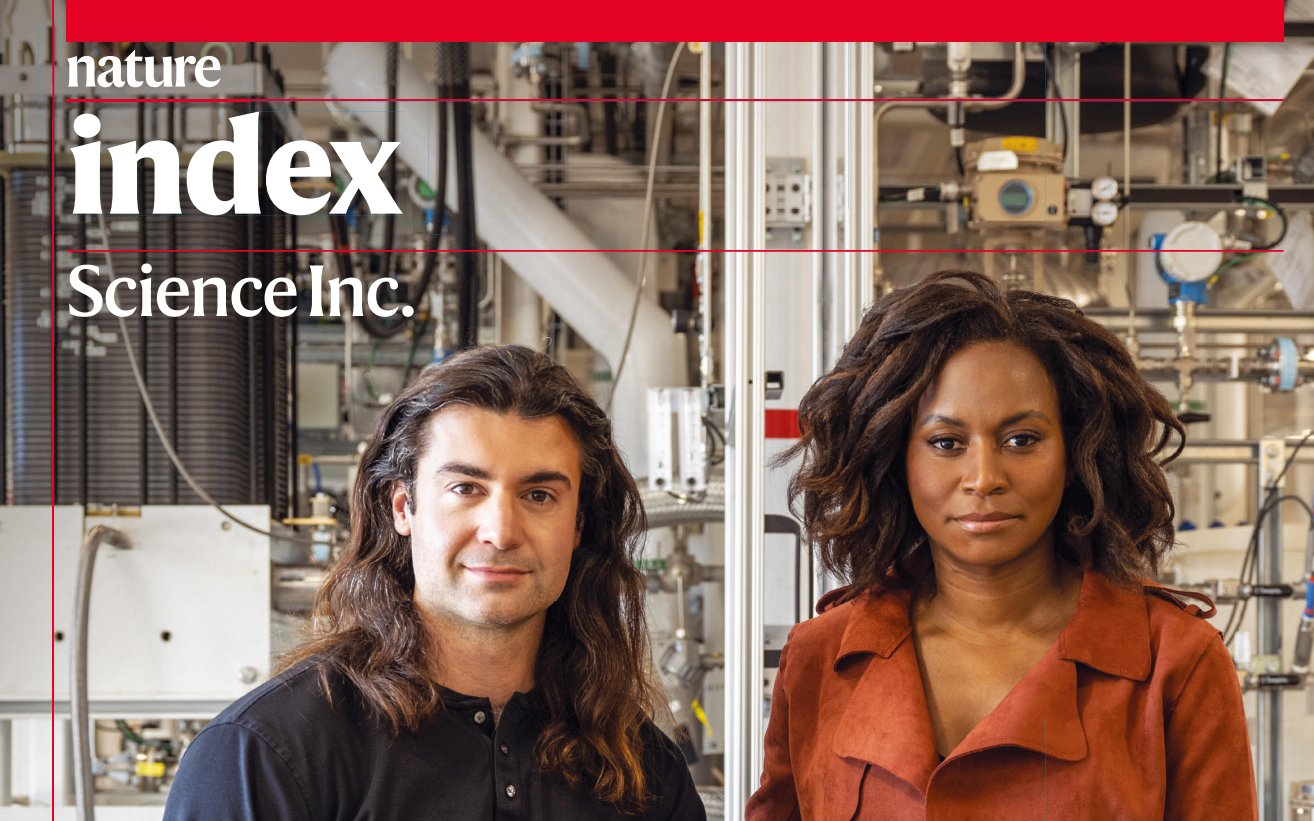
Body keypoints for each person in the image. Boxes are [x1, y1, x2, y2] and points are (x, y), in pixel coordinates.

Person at [745, 271, 1256, 819]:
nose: (983, 477)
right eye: (946, 443)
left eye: (1021, 440)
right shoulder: (821, 656)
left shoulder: (1175, 663)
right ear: (896, 457)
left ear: (1078, 453)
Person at [164, 345, 705, 820]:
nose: (500, 532)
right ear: (404, 506)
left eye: (539, 495)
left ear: (578, 524)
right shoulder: (265, 756)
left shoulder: (644, 774)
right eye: (466, 488)